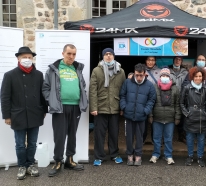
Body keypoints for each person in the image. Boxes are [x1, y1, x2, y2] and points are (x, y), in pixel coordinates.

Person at [1, 47, 48, 180]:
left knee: (32, 143)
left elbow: (42, 94)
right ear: (18, 58)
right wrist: (6, 115)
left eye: (29, 57)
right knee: (20, 144)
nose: (27, 59)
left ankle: (31, 164)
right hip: (18, 114)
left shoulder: (38, 74)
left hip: (35, 113)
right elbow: (5, 97)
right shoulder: (10, 75)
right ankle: (22, 166)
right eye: (24, 57)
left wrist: (44, 109)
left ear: (32, 58)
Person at [43, 44, 88, 177]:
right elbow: (45, 88)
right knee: (60, 136)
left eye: (74, 54)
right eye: (69, 53)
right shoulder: (53, 69)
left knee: (72, 134)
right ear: (63, 53)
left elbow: (82, 86)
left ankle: (69, 159)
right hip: (60, 107)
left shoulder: (77, 69)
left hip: (75, 107)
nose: (71, 56)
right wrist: (51, 101)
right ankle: (58, 161)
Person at [89, 48, 126, 166]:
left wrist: (122, 107)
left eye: (110, 54)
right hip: (100, 107)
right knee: (99, 134)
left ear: (114, 56)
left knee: (114, 133)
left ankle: (114, 154)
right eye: (106, 54)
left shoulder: (121, 71)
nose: (108, 56)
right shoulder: (96, 71)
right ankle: (99, 156)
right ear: (103, 56)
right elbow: (92, 90)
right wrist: (93, 107)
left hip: (115, 106)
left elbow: (123, 91)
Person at [120, 63, 156, 166]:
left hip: (141, 116)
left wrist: (146, 110)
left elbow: (151, 100)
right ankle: (130, 156)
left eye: (141, 75)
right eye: (137, 75)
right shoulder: (127, 83)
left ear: (145, 74)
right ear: (134, 73)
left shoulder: (150, 85)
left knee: (140, 137)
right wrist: (124, 107)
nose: (139, 77)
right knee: (129, 137)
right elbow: (122, 95)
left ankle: (138, 156)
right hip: (129, 115)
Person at [182, 54, 206, 149]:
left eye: (203, 59)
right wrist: (194, 86)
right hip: (193, 100)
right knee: (193, 125)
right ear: (196, 61)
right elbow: (185, 83)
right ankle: (193, 143)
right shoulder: (192, 71)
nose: (201, 61)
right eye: (199, 59)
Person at [148, 68, 181, 165]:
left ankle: (168, 155)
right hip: (157, 117)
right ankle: (155, 154)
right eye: (163, 75)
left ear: (170, 77)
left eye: (166, 75)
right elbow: (151, 102)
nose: (164, 77)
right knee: (156, 138)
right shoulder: (154, 87)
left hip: (170, 118)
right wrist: (150, 115)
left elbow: (177, 104)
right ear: (160, 76)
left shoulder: (175, 88)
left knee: (168, 138)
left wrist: (177, 117)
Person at [180, 67, 206, 167]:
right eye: (196, 76)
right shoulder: (187, 88)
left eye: (200, 76)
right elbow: (181, 103)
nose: (198, 78)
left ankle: (200, 157)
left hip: (202, 118)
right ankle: (190, 156)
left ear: (203, 77)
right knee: (190, 138)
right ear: (192, 77)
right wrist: (187, 113)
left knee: (201, 139)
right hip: (190, 117)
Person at [169, 56, 188, 143]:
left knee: (182, 118)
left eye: (179, 59)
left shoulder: (186, 72)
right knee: (171, 117)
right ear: (173, 60)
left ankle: (181, 135)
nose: (177, 61)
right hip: (170, 98)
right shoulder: (168, 71)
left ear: (181, 62)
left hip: (182, 98)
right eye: (176, 59)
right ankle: (169, 136)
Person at [143, 56, 161, 143]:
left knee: (156, 119)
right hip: (144, 98)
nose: (151, 62)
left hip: (156, 98)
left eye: (153, 60)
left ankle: (155, 139)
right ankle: (142, 138)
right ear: (146, 61)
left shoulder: (159, 71)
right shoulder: (142, 70)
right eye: (149, 60)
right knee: (144, 119)